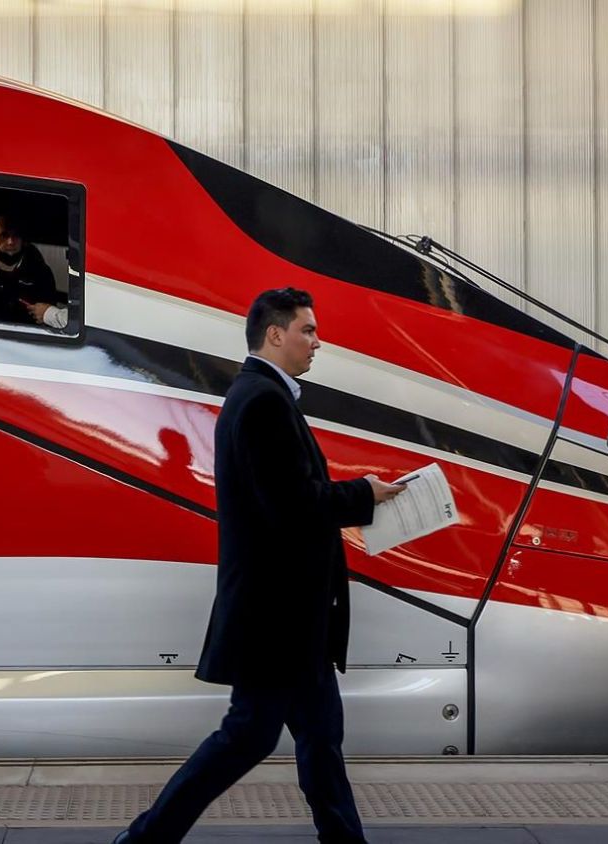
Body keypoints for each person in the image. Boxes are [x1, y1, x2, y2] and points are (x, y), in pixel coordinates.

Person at [117, 287, 408, 844]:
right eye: (309, 331)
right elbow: (294, 505)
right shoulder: (263, 402)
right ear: (275, 334)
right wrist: (364, 494)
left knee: (321, 739)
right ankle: (144, 840)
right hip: (277, 620)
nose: (317, 343)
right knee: (247, 736)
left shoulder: (262, 396)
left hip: (293, 621)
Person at [0, 214, 66, 327]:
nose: (10, 242)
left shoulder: (41, 273)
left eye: (16, 236)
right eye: (4, 236)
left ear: (22, 240)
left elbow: (49, 316)